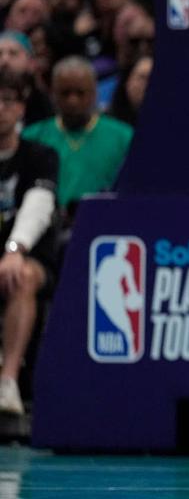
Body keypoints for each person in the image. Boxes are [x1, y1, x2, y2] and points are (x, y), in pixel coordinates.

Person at [0, 69, 57, 416]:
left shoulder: (40, 155)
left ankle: (7, 384)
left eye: (8, 102)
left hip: (28, 258)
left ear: (21, 108)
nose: (0, 109)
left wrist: (14, 250)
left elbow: (39, 204)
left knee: (20, 278)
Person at [22, 56, 131, 226]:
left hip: (105, 225)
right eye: (65, 93)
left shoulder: (124, 136)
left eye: (80, 93)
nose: (73, 101)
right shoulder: (32, 136)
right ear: (52, 93)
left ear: (94, 93)